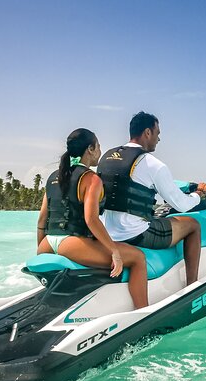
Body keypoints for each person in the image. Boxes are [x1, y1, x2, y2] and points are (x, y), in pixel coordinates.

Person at [37, 128, 148, 309]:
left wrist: (42, 249)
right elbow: (91, 219)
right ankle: (143, 314)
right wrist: (114, 252)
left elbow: (42, 220)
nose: (100, 151)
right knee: (137, 257)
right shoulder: (91, 179)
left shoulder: (53, 177)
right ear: (90, 149)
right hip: (71, 244)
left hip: (46, 244)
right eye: (98, 146)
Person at [98, 112, 206, 286]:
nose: (158, 139)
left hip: (106, 234)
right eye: (158, 133)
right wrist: (199, 194)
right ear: (148, 132)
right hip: (134, 234)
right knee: (193, 225)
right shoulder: (153, 164)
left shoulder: (106, 158)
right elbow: (181, 205)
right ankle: (192, 285)